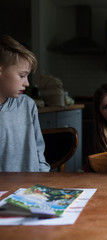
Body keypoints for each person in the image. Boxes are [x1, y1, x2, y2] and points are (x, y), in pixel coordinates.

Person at [0, 34, 50, 172]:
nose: (27, 83)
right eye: (22, 76)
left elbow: (39, 150)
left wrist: (43, 175)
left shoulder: (27, 105)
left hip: (30, 187)